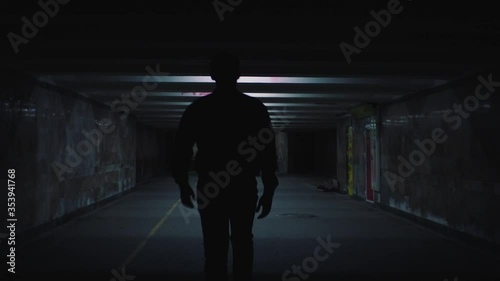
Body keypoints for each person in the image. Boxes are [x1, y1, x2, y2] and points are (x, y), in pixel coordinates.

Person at [172, 51, 279, 281]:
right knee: (243, 242)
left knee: (214, 246)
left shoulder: (198, 108)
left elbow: (181, 148)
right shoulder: (255, 108)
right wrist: (269, 189)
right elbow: (268, 152)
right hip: (243, 186)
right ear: (238, 74)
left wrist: (183, 184)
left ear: (212, 75)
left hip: (210, 186)